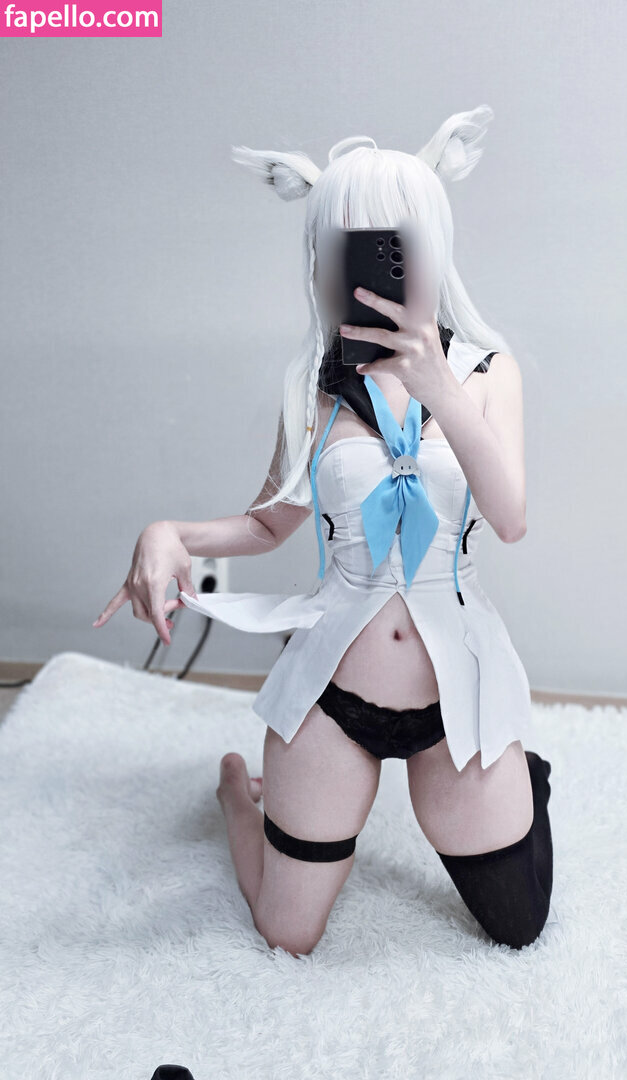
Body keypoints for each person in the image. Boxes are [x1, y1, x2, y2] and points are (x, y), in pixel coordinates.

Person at [93, 104, 553, 956]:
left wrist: (438, 387)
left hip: (457, 692)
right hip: (333, 695)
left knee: (518, 924)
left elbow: (512, 518)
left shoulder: (490, 372)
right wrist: (169, 533)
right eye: (346, 245)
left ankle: (526, 782)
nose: (372, 264)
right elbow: (270, 522)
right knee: (286, 933)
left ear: (432, 245)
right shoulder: (315, 387)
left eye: (395, 242)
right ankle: (239, 795)